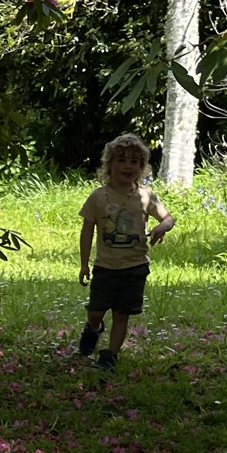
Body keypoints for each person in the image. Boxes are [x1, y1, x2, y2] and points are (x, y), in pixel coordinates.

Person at [76, 132, 173, 369]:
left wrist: (162, 226)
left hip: (135, 267)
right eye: (121, 160)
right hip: (105, 267)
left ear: (141, 167)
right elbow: (87, 232)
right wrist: (83, 264)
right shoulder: (98, 197)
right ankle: (94, 328)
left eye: (134, 161)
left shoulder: (145, 196)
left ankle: (109, 356)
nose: (127, 166)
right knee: (96, 311)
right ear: (109, 165)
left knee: (122, 314)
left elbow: (168, 217)